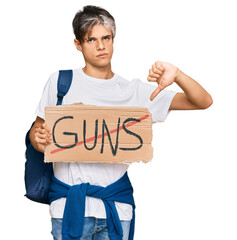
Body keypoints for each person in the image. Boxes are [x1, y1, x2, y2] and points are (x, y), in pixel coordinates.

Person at [29, 5, 213, 240]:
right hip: (68, 208)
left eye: (106, 37)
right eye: (91, 39)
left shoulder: (134, 92)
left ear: (113, 39)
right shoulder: (60, 82)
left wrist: (177, 74)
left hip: (116, 208)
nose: (101, 46)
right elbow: (37, 131)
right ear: (78, 44)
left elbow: (203, 101)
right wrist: (38, 138)